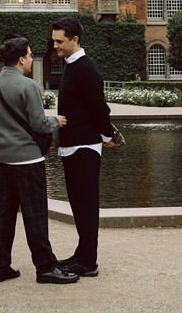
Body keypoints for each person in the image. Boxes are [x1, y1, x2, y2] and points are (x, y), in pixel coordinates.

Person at [0, 36, 77, 285]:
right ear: (21, 59)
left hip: (3, 160)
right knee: (35, 215)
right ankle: (45, 268)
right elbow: (39, 123)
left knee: (2, 214)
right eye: (30, 55)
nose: (31, 59)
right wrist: (56, 121)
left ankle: (0, 267)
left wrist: (0, 150)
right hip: (28, 161)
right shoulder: (29, 86)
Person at [51, 18, 117, 278]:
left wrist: (107, 135)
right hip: (73, 145)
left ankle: (88, 261)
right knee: (79, 204)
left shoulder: (85, 68)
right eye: (54, 40)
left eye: (60, 41)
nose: (55, 45)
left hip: (84, 146)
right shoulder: (72, 64)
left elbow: (99, 107)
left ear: (75, 40)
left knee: (86, 205)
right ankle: (82, 254)